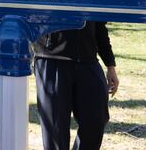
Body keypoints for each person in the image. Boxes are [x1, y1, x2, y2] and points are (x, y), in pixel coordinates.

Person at [33, 21, 119, 150]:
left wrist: (110, 65)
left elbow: (100, 26)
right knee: (55, 129)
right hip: (51, 58)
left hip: (88, 60)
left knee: (96, 119)